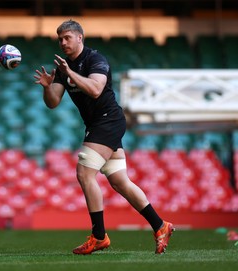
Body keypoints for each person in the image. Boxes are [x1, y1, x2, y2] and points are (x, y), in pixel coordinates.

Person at [34, 19, 174, 255]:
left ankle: (99, 236)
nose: (63, 42)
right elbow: (53, 103)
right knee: (120, 182)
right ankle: (161, 225)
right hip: (98, 124)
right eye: (60, 39)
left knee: (84, 172)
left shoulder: (95, 60)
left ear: (80, 37)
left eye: (67, 37)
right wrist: (48, 87)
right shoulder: (63, 67)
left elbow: (96, 89)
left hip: (108, 120)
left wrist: (70, 74)